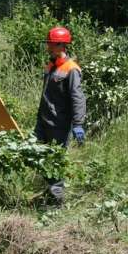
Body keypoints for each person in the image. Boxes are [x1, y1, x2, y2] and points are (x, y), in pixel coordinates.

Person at [35, 26, 87, 203]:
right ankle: (48, 192)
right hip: (43, 121)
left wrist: (78, 124)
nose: (48, 47)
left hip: (59, 124)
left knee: (56, 160)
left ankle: (56, 201)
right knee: (41, 157)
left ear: (61, 45)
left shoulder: (71, 69)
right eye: (48, 43)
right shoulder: (51, 65)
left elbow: (77, 97)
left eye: (51, 44)